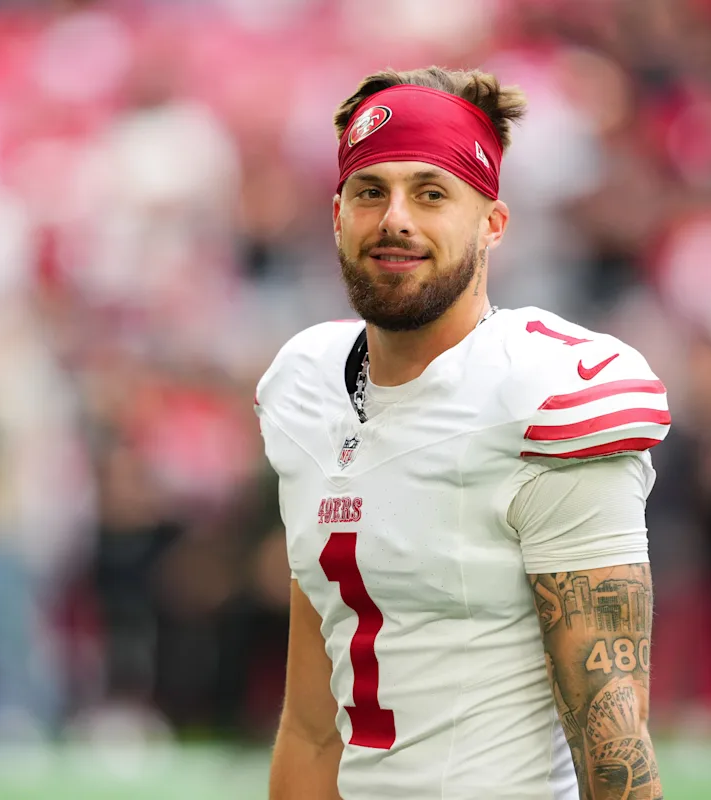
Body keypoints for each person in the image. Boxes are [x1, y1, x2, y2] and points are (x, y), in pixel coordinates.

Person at [255, 67, 671, 799]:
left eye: (431, 193)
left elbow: (614, 744)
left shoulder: (543, 393)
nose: (395, 219)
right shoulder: (304, 384)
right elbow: (313, 727)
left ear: (492, 223)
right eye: (370, 192)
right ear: (337, 215)